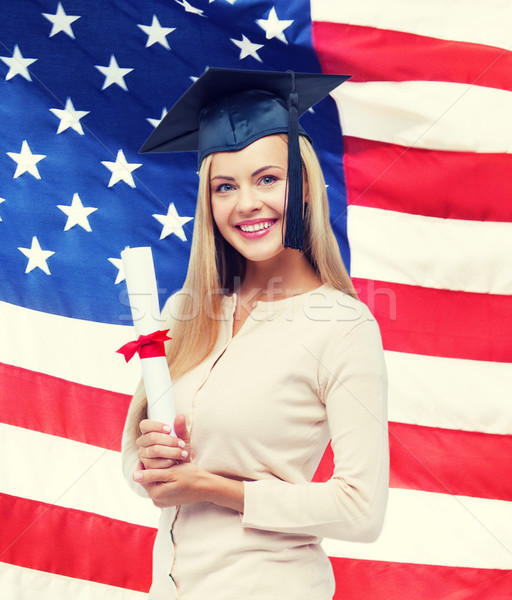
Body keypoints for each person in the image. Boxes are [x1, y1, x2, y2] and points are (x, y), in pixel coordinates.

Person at [122, 68, 389, 600]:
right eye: (225, 186)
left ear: (305, 185)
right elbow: (138, 467)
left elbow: (363, 510)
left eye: (267, 179)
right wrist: (148, 463)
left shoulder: (343, 326)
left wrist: (214, 489)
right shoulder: (186, 312)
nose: (246, 203)